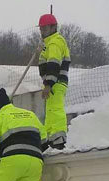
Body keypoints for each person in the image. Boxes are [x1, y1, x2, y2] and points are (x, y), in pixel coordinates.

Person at [38, 13, 71, 149]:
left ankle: (58, 139)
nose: (42, 31)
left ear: (53, 27)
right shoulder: (49, 44)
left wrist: (48, 84)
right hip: (54, 83)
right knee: (51, 110)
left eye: (44, 28)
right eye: (40, 29)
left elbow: (53, 64)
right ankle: (49, 138)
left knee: (55, 110)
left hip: (55, 82)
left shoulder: (55, 43)